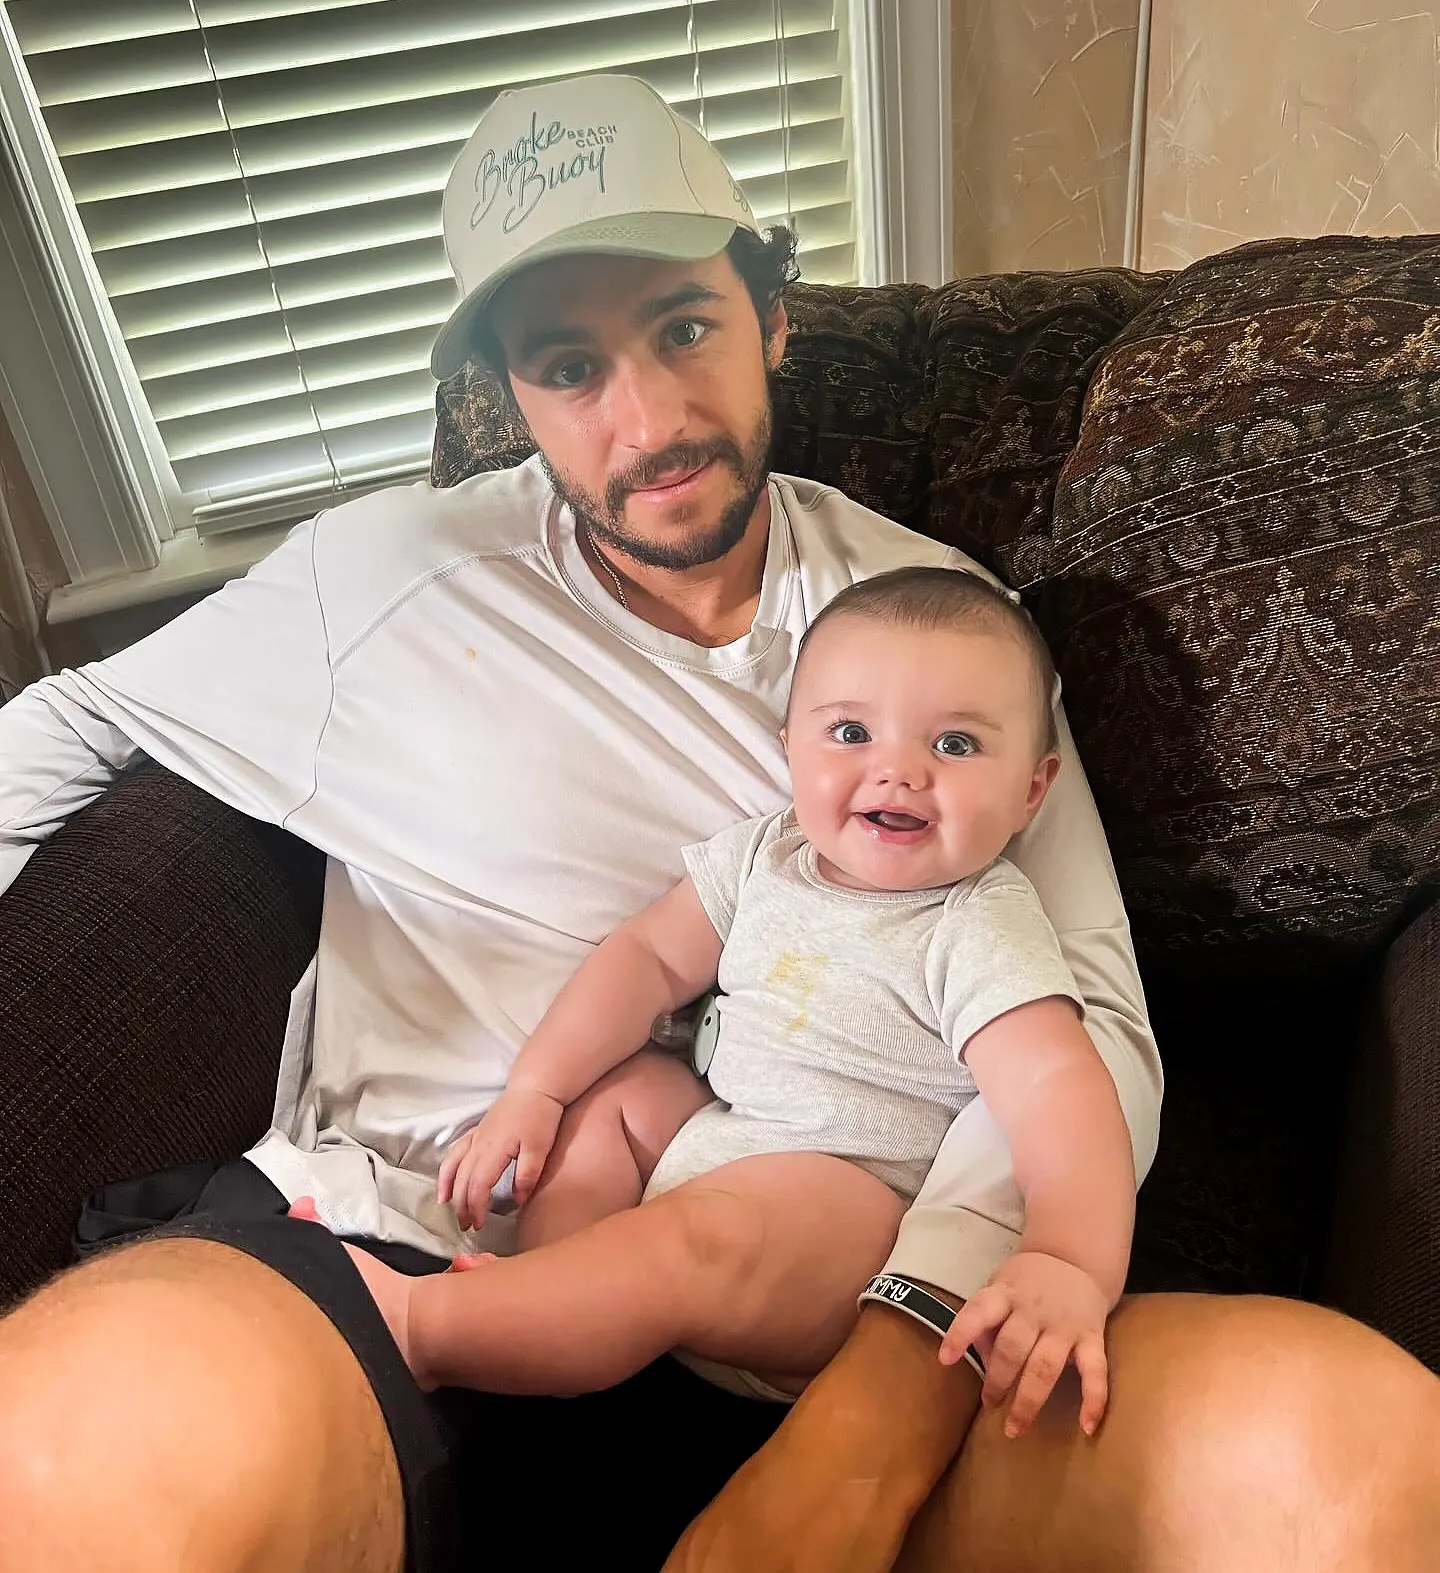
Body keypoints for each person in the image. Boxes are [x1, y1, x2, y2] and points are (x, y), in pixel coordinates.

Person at [0, 71, 1434, 1573]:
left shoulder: (939, 638)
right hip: (418, 1231)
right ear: (510, 394)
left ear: (773, 318)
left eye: (684, 326)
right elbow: (67, 721)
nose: (652, 419)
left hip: (845, 1296)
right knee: (105, 1478)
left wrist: (882, 1397)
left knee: (1357, 1462)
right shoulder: (371, 586)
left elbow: (1087, 1039)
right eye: (570, 365)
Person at [428, 567, 1133, 1439]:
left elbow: (1062, 1093)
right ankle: (556, 1295)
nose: (899, 770)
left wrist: (1069, 1260)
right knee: (621, 1097)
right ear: (789, 747)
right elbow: (646, 957)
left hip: (842, 1213)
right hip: (722, 1137)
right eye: (850, 731)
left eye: (955, 745)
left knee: (707, 1232)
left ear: (1032, 788)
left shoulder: (977, 919)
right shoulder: (768, 854)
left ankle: (431, 1328)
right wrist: (535, 1089)